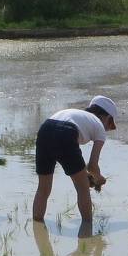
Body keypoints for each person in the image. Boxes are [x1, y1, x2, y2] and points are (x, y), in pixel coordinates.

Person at [33, 95, 118, 227]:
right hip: (67, 132)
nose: (109, 128)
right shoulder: (99, 128)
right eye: (111, 124)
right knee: (82, 188)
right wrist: (100, 179)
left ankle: (37, 226)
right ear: (106, 117)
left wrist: (87, 174)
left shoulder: (77, 115)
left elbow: (85, 166)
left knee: (43, 189)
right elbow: (93, 165)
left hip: (45, 130)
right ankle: (87, 230)